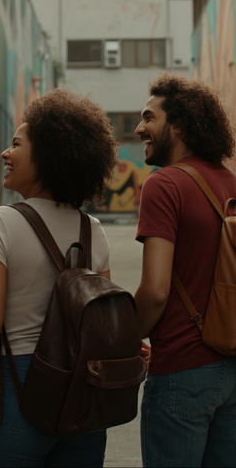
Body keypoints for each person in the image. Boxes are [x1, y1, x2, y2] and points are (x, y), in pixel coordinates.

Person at [0, 89, 118, 467]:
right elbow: (103, 320)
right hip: (83, 393)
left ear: (48, 156)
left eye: (16, 144)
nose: (5, 153)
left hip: (19, 385)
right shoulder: (93, 229)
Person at [134, 73, 236, 467]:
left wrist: (126, 337)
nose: (140, 127)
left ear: (179, 126)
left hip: (182, 370)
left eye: (149, 117)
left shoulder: (164, 185)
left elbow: (156, 290)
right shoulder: (231, 183)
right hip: (231, 366)